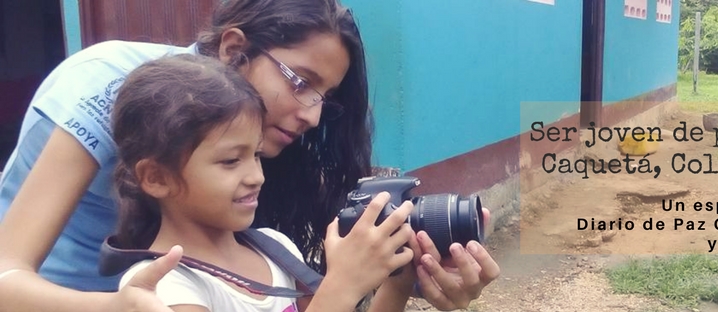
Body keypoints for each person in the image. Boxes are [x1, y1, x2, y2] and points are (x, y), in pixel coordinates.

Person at [0, 0, 500, 311]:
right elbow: (5, 280)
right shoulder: (105, 86)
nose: (311, 115)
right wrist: (119, 309)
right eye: (303, 82)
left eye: (324, 98)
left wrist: (402, 276)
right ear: (234, 48)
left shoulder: (259, 234)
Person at [110, 53, 419, 312]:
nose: (256, 176)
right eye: (231, 161)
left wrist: (398, 281)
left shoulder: (277, 249)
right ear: (157, 178)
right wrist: (343, 284)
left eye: (256, 155)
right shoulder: (165, 289)